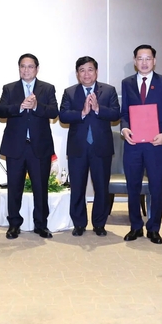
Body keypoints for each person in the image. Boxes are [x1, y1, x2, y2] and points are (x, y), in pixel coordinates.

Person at [119, 45, 162, 245]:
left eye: (148, 58)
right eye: (140, 58)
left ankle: (154, 228)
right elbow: (124, 113)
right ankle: (135, 226)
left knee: (156, 187)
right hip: (133, 143)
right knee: (133, 186)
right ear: (135, 61)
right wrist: (124, 128)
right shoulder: (127, 83)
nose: (144, 62)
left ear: (154, 61)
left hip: (156, 144)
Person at [0, 53, 58, 239]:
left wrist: (37, 106)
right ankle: (14, 224)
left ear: (37, 69)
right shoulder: (9, 89)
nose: (26, 70)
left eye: (30, 66)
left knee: (40, 188)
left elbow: (54, 112)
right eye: (23, 66)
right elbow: (1, 111)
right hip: (16, 146)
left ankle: (41, 224)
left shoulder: (47, 88)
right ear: (19, 68)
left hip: (39, 147)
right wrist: (20, 107)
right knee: (15, 187)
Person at [59, 56, 120, 237]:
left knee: (101, 187)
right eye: (82, 70)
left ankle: (99, 224)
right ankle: (79, 223)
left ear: (96, 72)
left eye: (90, 69)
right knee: (77, 187)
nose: (86, 74)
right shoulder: (70, 92)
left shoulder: (108, 91)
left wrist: (99, 109)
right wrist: (83, 113)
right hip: (78, 148)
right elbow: (63, 115)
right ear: (78, 74)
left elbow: (116, 114)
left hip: (101, 148)